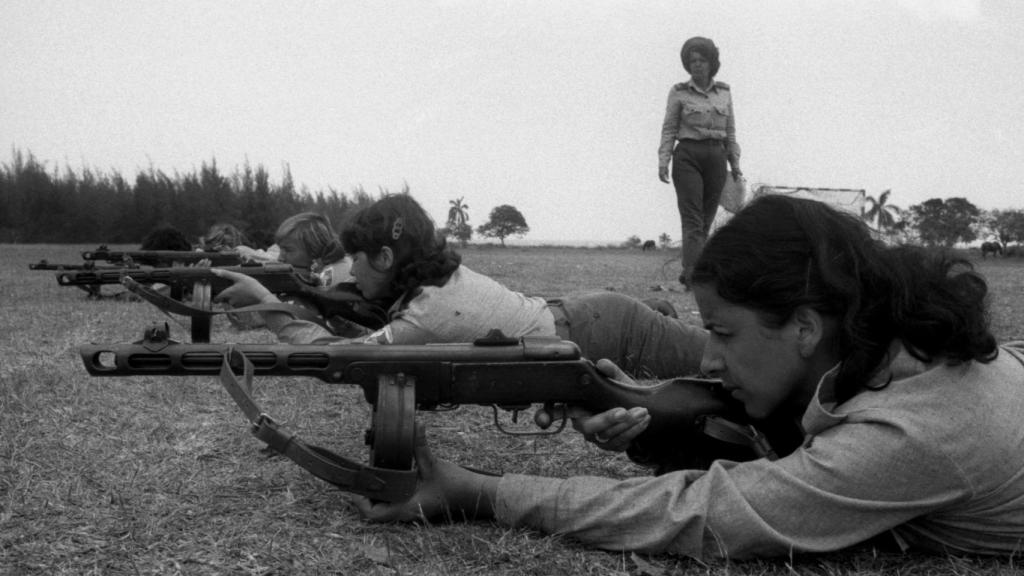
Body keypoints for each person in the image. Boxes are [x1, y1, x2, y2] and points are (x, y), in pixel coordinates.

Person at [352, 194, 1024, 560]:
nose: (706, 359)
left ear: (806, 327)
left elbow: (708, 514)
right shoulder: (886, 347)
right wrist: (647, 420)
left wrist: (480, 491)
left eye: (724, 332)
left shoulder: (917, 432)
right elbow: (791, 438)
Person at [212, 194, 708, 379]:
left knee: (726, 368)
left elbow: (341, 358)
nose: (352, 270)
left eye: (357, 259)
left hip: (611, 328)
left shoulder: (428, 313)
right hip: (590, 317)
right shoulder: (428, 286)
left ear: (385, 258)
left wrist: (270, 306)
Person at [658, 36, 742, 288]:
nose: (697, 65)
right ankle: (694, 274)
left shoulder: (724, 92)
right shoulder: (679, 92)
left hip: (716, 157)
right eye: (692, 60)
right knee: (692, 218)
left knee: (706, 218)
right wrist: (663, 160)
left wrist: (735, 164)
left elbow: (731, 131)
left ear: (711, 63)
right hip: (688, 156)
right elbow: (669, 128)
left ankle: (694, 271)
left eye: (702, 60)